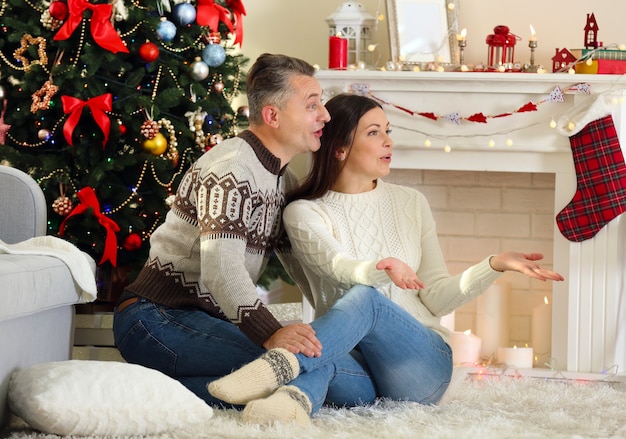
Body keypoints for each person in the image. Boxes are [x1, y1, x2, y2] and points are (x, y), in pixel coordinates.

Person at [208, 93, 564, 425]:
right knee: (325, 355)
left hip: (422, 366)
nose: (389, 141)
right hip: (359, 370)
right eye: (375, 132)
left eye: (387, 131)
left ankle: (277, 366)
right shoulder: (304, 213)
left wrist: (493, 265)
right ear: (340, 149)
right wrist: (380, 269)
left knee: (366, 300)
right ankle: (291, 402)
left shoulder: (411, 203)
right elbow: (336, 265)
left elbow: (435, 294)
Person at [112, 53, 334, 405]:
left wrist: (333, 322)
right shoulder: (232, 169)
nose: (325, 115)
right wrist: (273, 334)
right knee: (288, 364)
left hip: (200, 320)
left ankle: (153, 395)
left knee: (291, 366)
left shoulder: (280, 178)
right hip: (156, 319)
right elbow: (221, 269)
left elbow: (300, 262)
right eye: (312, 105)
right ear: (272, 115)